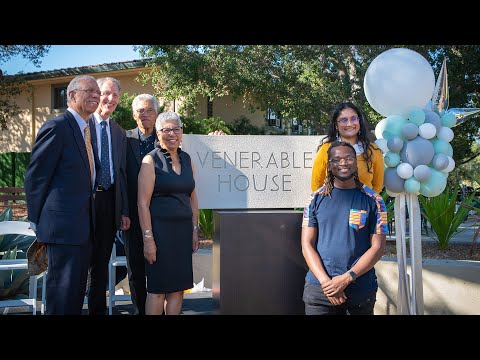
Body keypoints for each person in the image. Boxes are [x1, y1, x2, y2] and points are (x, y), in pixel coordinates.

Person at [24, 75, 101, 315]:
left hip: (83, 229)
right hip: (62, 230)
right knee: (62, 298)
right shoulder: (57, 127)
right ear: (71, 95)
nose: (96, 96)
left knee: (75, 296)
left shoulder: (88, 131)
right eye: (89, 91)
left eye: (97, 92)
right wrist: (37, 222)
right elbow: (36, 177)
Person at [301, 141, 387, 315]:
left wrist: (347, 278)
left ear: (355, 163)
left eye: (348, 158)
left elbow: (377, 247)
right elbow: (307, 245)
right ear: (329, 165)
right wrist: (327, 283)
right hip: (320, 288)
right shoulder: (315, 199)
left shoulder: (375, 200)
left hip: (360, 289)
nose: (343, 163)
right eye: (336, 159)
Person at [137, 111, 199, 315]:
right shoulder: (149, 161)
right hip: (159, 235)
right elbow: (142, 204)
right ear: (157, 132)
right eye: (166, 129)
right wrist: (148, 240)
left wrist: (194, 230)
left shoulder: (188, 159)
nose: (172, 133)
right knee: (157, 291)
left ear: (182, 132)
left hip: (182, 234)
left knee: (178, 289)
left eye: (176, 129)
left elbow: (192, 197)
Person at [87, 77, 131, 315]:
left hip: (109, 202)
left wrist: (123, 210)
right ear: (96, 94)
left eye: (115, 95)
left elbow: (121, 174)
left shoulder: (119, 132)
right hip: (85, 202)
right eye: (106, 93)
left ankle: (96, 311)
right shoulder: (82, 125)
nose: (110, 99)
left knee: (101, 265)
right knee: (80, 261)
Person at [124, 94, 159, 315]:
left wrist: (216, 137)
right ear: (133, 114)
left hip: (161, 213)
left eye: (149, 110)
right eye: (140, 111)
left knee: (160, 267)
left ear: (156, 113)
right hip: (132, 215)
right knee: (135, 269)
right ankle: (140, 311)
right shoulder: (124, 139)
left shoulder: (167, 136)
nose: (144, 114)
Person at [311, 102, 384, 194]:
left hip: (363, 206)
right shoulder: (326, 149)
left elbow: (377, 185)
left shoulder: (373, 150)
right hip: (334, 206)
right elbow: (316, 184)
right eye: (343, 120)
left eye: (354, 119)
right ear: (336, 126)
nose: (349, 124)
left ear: (359, 122)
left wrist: (367, 203)